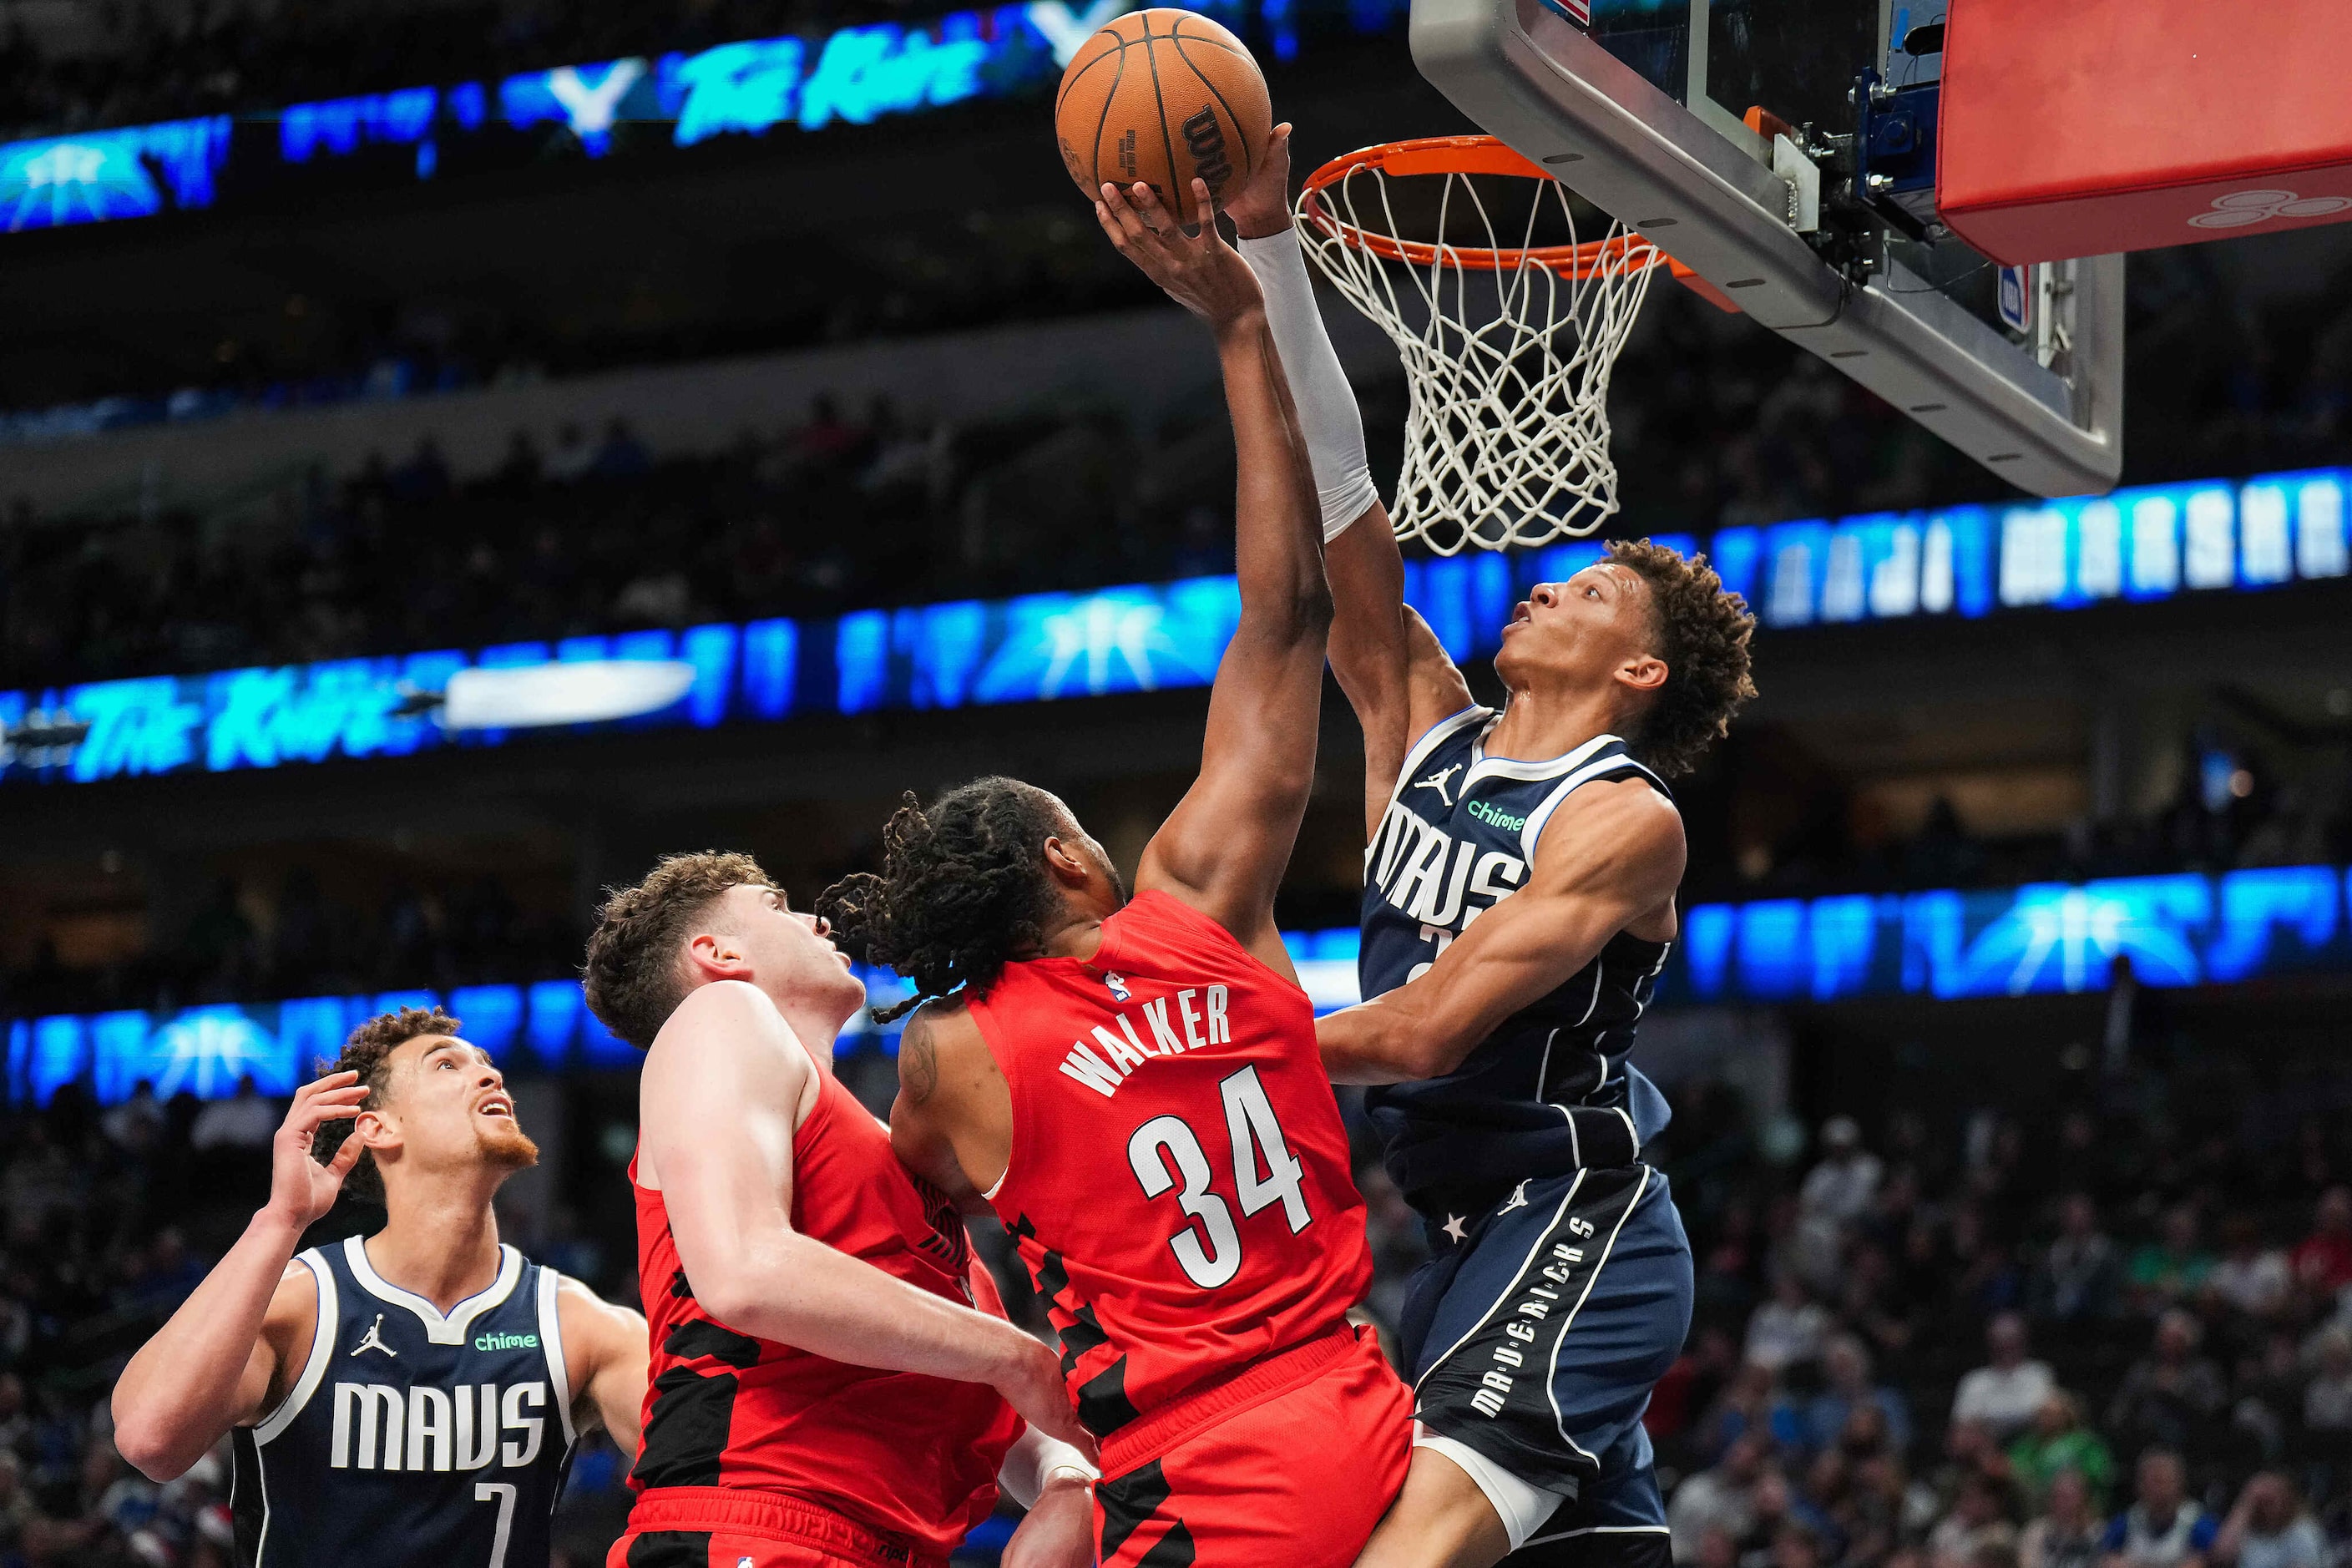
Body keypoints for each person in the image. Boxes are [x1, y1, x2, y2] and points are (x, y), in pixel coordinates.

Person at [816, 163, 1412, 1568]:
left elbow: (888, 1230)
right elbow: (1285, 616)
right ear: (1073, 854)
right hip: (1365, 1408)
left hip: (1199, 1469)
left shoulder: (951, 1053)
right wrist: (1239, 325)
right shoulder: (1201, 894)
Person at [1207, 125, 1758, 1568]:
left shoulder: (1620, 818)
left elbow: (1436, 1025)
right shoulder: (1423, 722)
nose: (1544, 593)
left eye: (1582, 593)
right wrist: (1269, 248)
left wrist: (1211, 1040)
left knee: (1391, 1549)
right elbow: (1346, 516)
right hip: (1459, 1242)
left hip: (1576, 1217)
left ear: (1637, 676)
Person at [580, 855, 1097, 1568]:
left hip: (888, 1545)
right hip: (759, 1525)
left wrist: (1067, 1477)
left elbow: (989, 1395)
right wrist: (1017, 1356)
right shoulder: (721, 1013)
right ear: (718, 953)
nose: (817, 918)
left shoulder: (882, 1152)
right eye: (778, 904)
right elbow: (745, 1272)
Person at [109, 1006, 650, 1567]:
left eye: (488, 1066)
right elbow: (152, 1439)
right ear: (378, 1126)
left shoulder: (578, 1325)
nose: (491, 1076)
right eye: (447, 1065)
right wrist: (280, 1221)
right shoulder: (302, 1304)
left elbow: (715, 1465)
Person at [2099, 1449, 2217, 1568]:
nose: (2158, 1489)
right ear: (2140, 1485)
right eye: (2153, 1481)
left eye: (2164, 1481)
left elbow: (2213, 1558)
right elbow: (2106, 1557)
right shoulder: (2127, 1522)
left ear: (2179, 1483)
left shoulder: (2197, 1523)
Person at [1953, 1313, 2056, 1444]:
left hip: (2034, 1447)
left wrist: (1989, 1420)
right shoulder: (1975, 1380)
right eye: (2000, 1343)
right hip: (1988, 1451)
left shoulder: (2039, 1373)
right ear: (1990, 1344)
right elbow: (1963, 1425)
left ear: (2023, 1341)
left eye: (2012, 1341)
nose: (2006, 1347)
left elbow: (2049, 1416)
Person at [2210, 1473, 2324, 1568]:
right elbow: (2221, 1556)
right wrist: (2246, 1505)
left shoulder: (2302, 1531)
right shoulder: (2248, 1529)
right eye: (2260, 1503)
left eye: (2270, 1502)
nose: (2264, 1509)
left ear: (2286, 1501)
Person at [2020, 1469, 2104, 1568]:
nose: (2062, 1503)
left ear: (2084, 1498)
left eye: (2069, 1497)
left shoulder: (2099, 1533)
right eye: (2057, 1496)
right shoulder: (2035, 1533)